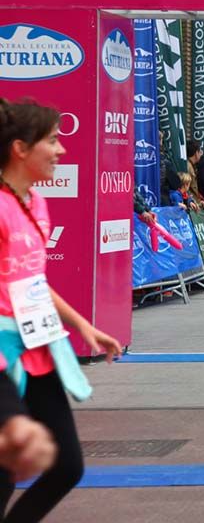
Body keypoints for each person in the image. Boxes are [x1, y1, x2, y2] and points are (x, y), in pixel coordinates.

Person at [0, 98, 123, 520]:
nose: (61, 150)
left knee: (67, 466)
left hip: (39, 348)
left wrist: (83, 326)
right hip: (2, 357)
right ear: (20, 148)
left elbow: (33, 281)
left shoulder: (35, 202)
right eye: (52, 141)